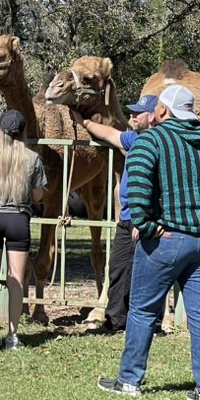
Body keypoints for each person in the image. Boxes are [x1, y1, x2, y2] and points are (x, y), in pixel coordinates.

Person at [98, 84, 200, 400]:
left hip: (166, 239)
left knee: (142, 309)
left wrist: (143, 223)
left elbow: (138, 181)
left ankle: (129, 380)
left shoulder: (153, 139)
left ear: (163, 111)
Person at [70, 95, 158, 333]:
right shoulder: (135, 137)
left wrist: (145, 217)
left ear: (152, 116)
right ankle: (117, 320)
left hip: (144, 218)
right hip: (127, 218)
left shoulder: (157, 141)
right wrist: (85, 123)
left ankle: (146, 321)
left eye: (138, 113)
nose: (132, 116)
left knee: (144, 270)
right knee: (118, 267)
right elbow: (111, 135)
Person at [0, 110, 46, 351]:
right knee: (16, 279)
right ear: (23, 131)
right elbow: (37, 195)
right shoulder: (32, 159)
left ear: (0, 130)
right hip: (18, 219)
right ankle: (13, 335)